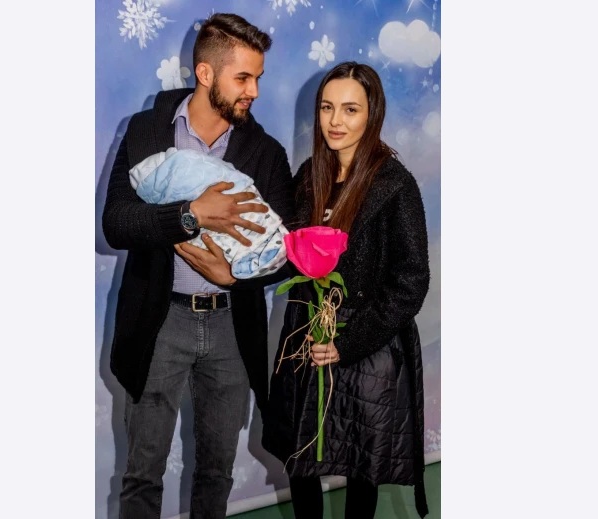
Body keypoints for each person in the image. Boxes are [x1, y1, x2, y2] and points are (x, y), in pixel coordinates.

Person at [101, 13, 296, 519]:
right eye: (243, 77)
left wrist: (235, 276)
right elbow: (116, 223)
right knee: (143, 473)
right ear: (206, 73)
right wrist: (190, 215)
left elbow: (285, 251)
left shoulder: (265, 153)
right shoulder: (147, 131)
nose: (254, 91)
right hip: (159, 320)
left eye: (258, 78)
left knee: (216, 473)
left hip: (233, 328)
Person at [261, 61, 432, 518]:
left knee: (361, 466)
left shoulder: (394, 184)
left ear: (372, 115)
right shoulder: (309, 175)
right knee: (300, 457)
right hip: (306, 339)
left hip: (366, 346)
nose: (335, 121)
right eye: (327, 108)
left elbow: (412, 280)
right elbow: (286, 251)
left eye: (350, 109)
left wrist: (347, 342)